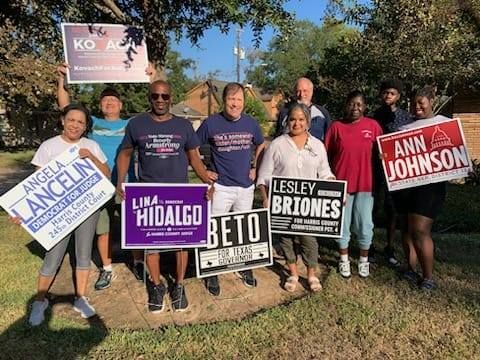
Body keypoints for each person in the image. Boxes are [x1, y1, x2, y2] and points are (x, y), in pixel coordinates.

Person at [116, 80, 212, 312]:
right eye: (155, 96)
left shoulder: (183, 126)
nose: (160, 100)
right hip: (148, 192)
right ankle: (157, 285)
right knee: (152, 244)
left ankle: (179, 286)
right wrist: (120, 180)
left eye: (165, 96)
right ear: (149, 98)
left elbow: (195, 158)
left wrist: (206, 181)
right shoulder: (136, 124)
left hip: (180, 193)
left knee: (182, 243)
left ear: (171, 98)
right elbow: (125, 153)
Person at [56, 64, 155, 289]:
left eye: (113, 100)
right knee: (103, 229)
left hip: (127, 184)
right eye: (105, 100)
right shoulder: (92, 124)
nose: (109, 103)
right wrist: (62, 79)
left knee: (135, 227)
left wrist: (151, 79)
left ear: (121, 105)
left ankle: (138, 262)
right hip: (97, 187)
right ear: (100, 105)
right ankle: (107, 269)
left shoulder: (131, 124)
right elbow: (65, 106)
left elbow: (154, 109)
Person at [13, 104, 110, 326]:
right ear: (63, 120)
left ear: (86, 127)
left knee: (83, 254)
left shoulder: (91, 145)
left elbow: (106, 174)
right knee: (53, 256)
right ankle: (40, 301)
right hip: (58, 213)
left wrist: (92, 159)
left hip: (87, 208)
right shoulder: (49, 146)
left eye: (81, 122)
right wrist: (23, 211)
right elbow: (36, 185)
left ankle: (80, 298)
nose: (75, 125)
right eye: (72, 120)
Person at [196, 82, 266, 296]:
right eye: (231, 99)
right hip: (220, 187)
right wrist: (204, 172)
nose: (235, 104)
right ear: (224, 101)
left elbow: (261, 144)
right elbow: (192, 147)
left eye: (239, 100)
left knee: (243, 230)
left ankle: (245, 267)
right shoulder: (211, 123)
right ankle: (212, 271)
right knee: (214, 229)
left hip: (245, 188)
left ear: (243, 102)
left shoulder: (251, 124)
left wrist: (256, 166)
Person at [257, 103, 335, 292]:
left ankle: (310, 274)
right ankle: (292, 272)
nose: (297, 123)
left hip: (308, 205)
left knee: (309, 240)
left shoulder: (317, 145)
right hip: (282, 204)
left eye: (301, 119)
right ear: (287, 121)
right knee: (286, 240)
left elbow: (325, 173)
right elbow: (264, 175)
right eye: (293, 119)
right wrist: (266, 198)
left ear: (307, 122)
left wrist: (334, 189)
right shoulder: (277, 144)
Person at [392, 86, 450, 291]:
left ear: (431, 100)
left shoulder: (444, 124)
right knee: (406, 229)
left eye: (421, 102)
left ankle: (428, 277)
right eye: (413, 103)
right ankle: (410, 267)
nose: (416, 107)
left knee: (419, 230)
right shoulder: (403, 127)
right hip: (405, 185)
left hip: (430, 187)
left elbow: (453, 154)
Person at [324, 91, 383, 278]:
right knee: (342, 225)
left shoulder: (373, 126)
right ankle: (344, 260)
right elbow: (325, 155)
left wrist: (383, 157)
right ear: (345, 105)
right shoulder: (336, 127)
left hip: (366, 184)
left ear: (365, 107)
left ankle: (364, 261)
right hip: (341, 186)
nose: (355, 108)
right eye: (351, 104)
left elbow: (384, 149)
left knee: (365, 225)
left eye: (359, 104)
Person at [371, 79, 413, 266]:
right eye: (385, 92)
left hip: (396, 172)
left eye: (392, 93)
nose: (388, 96)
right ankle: (369, 245)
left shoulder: (405, 117)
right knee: (372, 209)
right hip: (376, 169)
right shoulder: (374, 116)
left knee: (392, 211)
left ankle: (389, 247)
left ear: (398, 96)